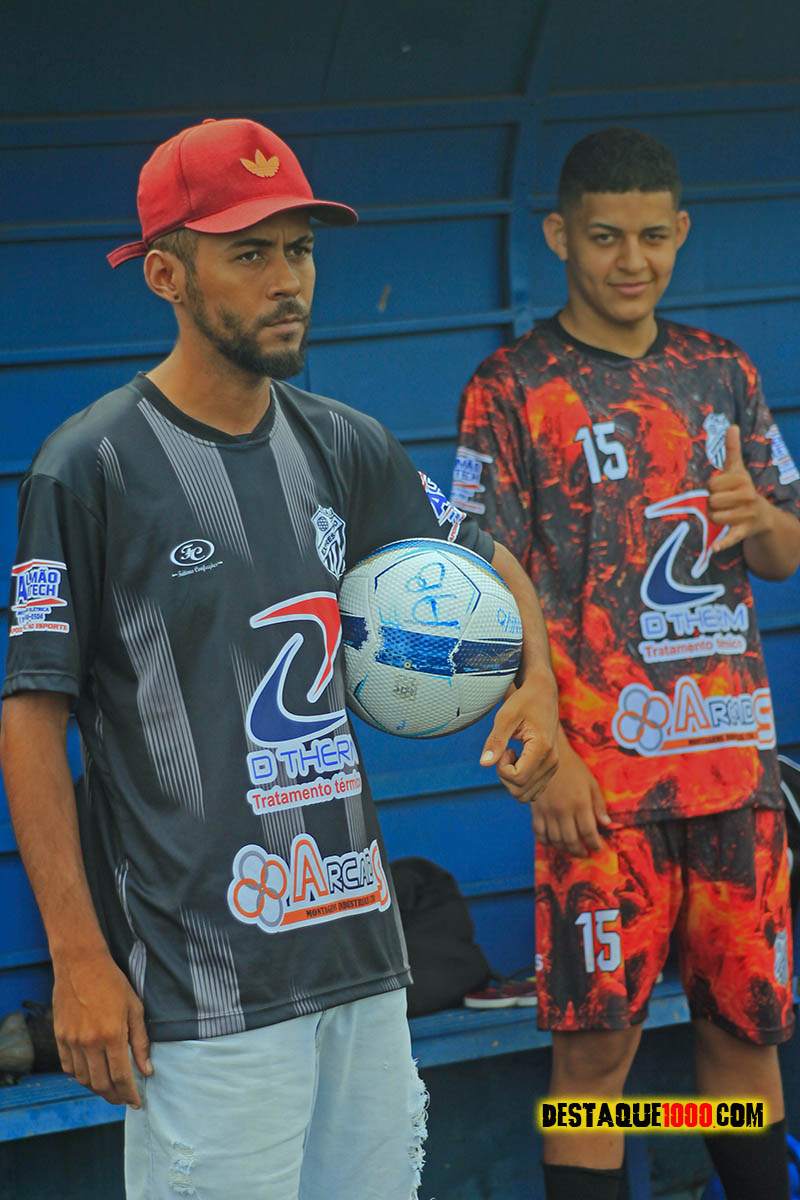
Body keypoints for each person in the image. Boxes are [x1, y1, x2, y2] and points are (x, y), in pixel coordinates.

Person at [0, 116, 559, 1200]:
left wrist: (535, 683)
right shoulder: (89, 466)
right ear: (166, 273)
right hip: (204, 992)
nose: (287, 279)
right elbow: (31, 718)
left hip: (362, 961)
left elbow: (489, 568)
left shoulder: (345, 443)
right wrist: (77, 958)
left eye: (299, 250)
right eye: (249, 252)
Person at [451, 126, 800, 1200]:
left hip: (733, 774)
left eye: (652, 235)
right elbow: (481, 573)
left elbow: (783, 552)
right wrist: (544, 752)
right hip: (598, 788)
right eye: (604, 236)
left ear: (680, 232)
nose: (630, 259)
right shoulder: (512, 386)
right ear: (559, 236)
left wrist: (759, 519)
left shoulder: (721, 371)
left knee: (745, 1040)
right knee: (595, 1065)